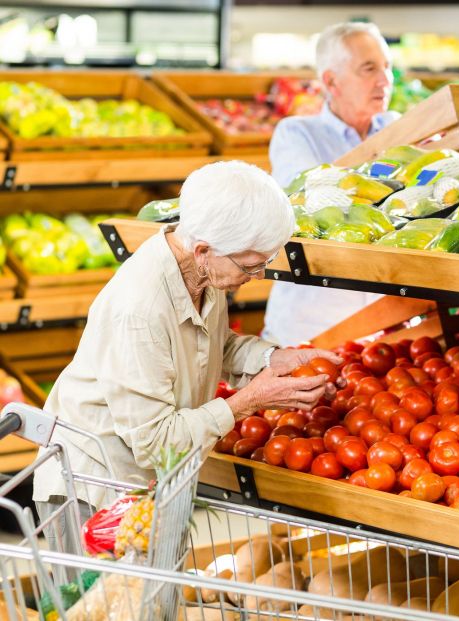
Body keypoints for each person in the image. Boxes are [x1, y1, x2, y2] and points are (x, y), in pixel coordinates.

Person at [33, 161, 340, 552]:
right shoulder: (139, 309)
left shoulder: (199, 272)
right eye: (252, 265)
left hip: (150, 486)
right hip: (97, 491)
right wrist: (248, 401)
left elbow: (212, 343)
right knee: (105, 610)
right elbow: (155, 440)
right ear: (204, 250)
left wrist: (272, 359)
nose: (260, 275)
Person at [262, 21, 399, 347]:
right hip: (310, 329)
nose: (385, 80)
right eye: (369, 68)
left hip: (389, 328)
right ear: (331, 81)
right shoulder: (296, 133)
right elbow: (318, 200)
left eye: (388, 67)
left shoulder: (397, 128)